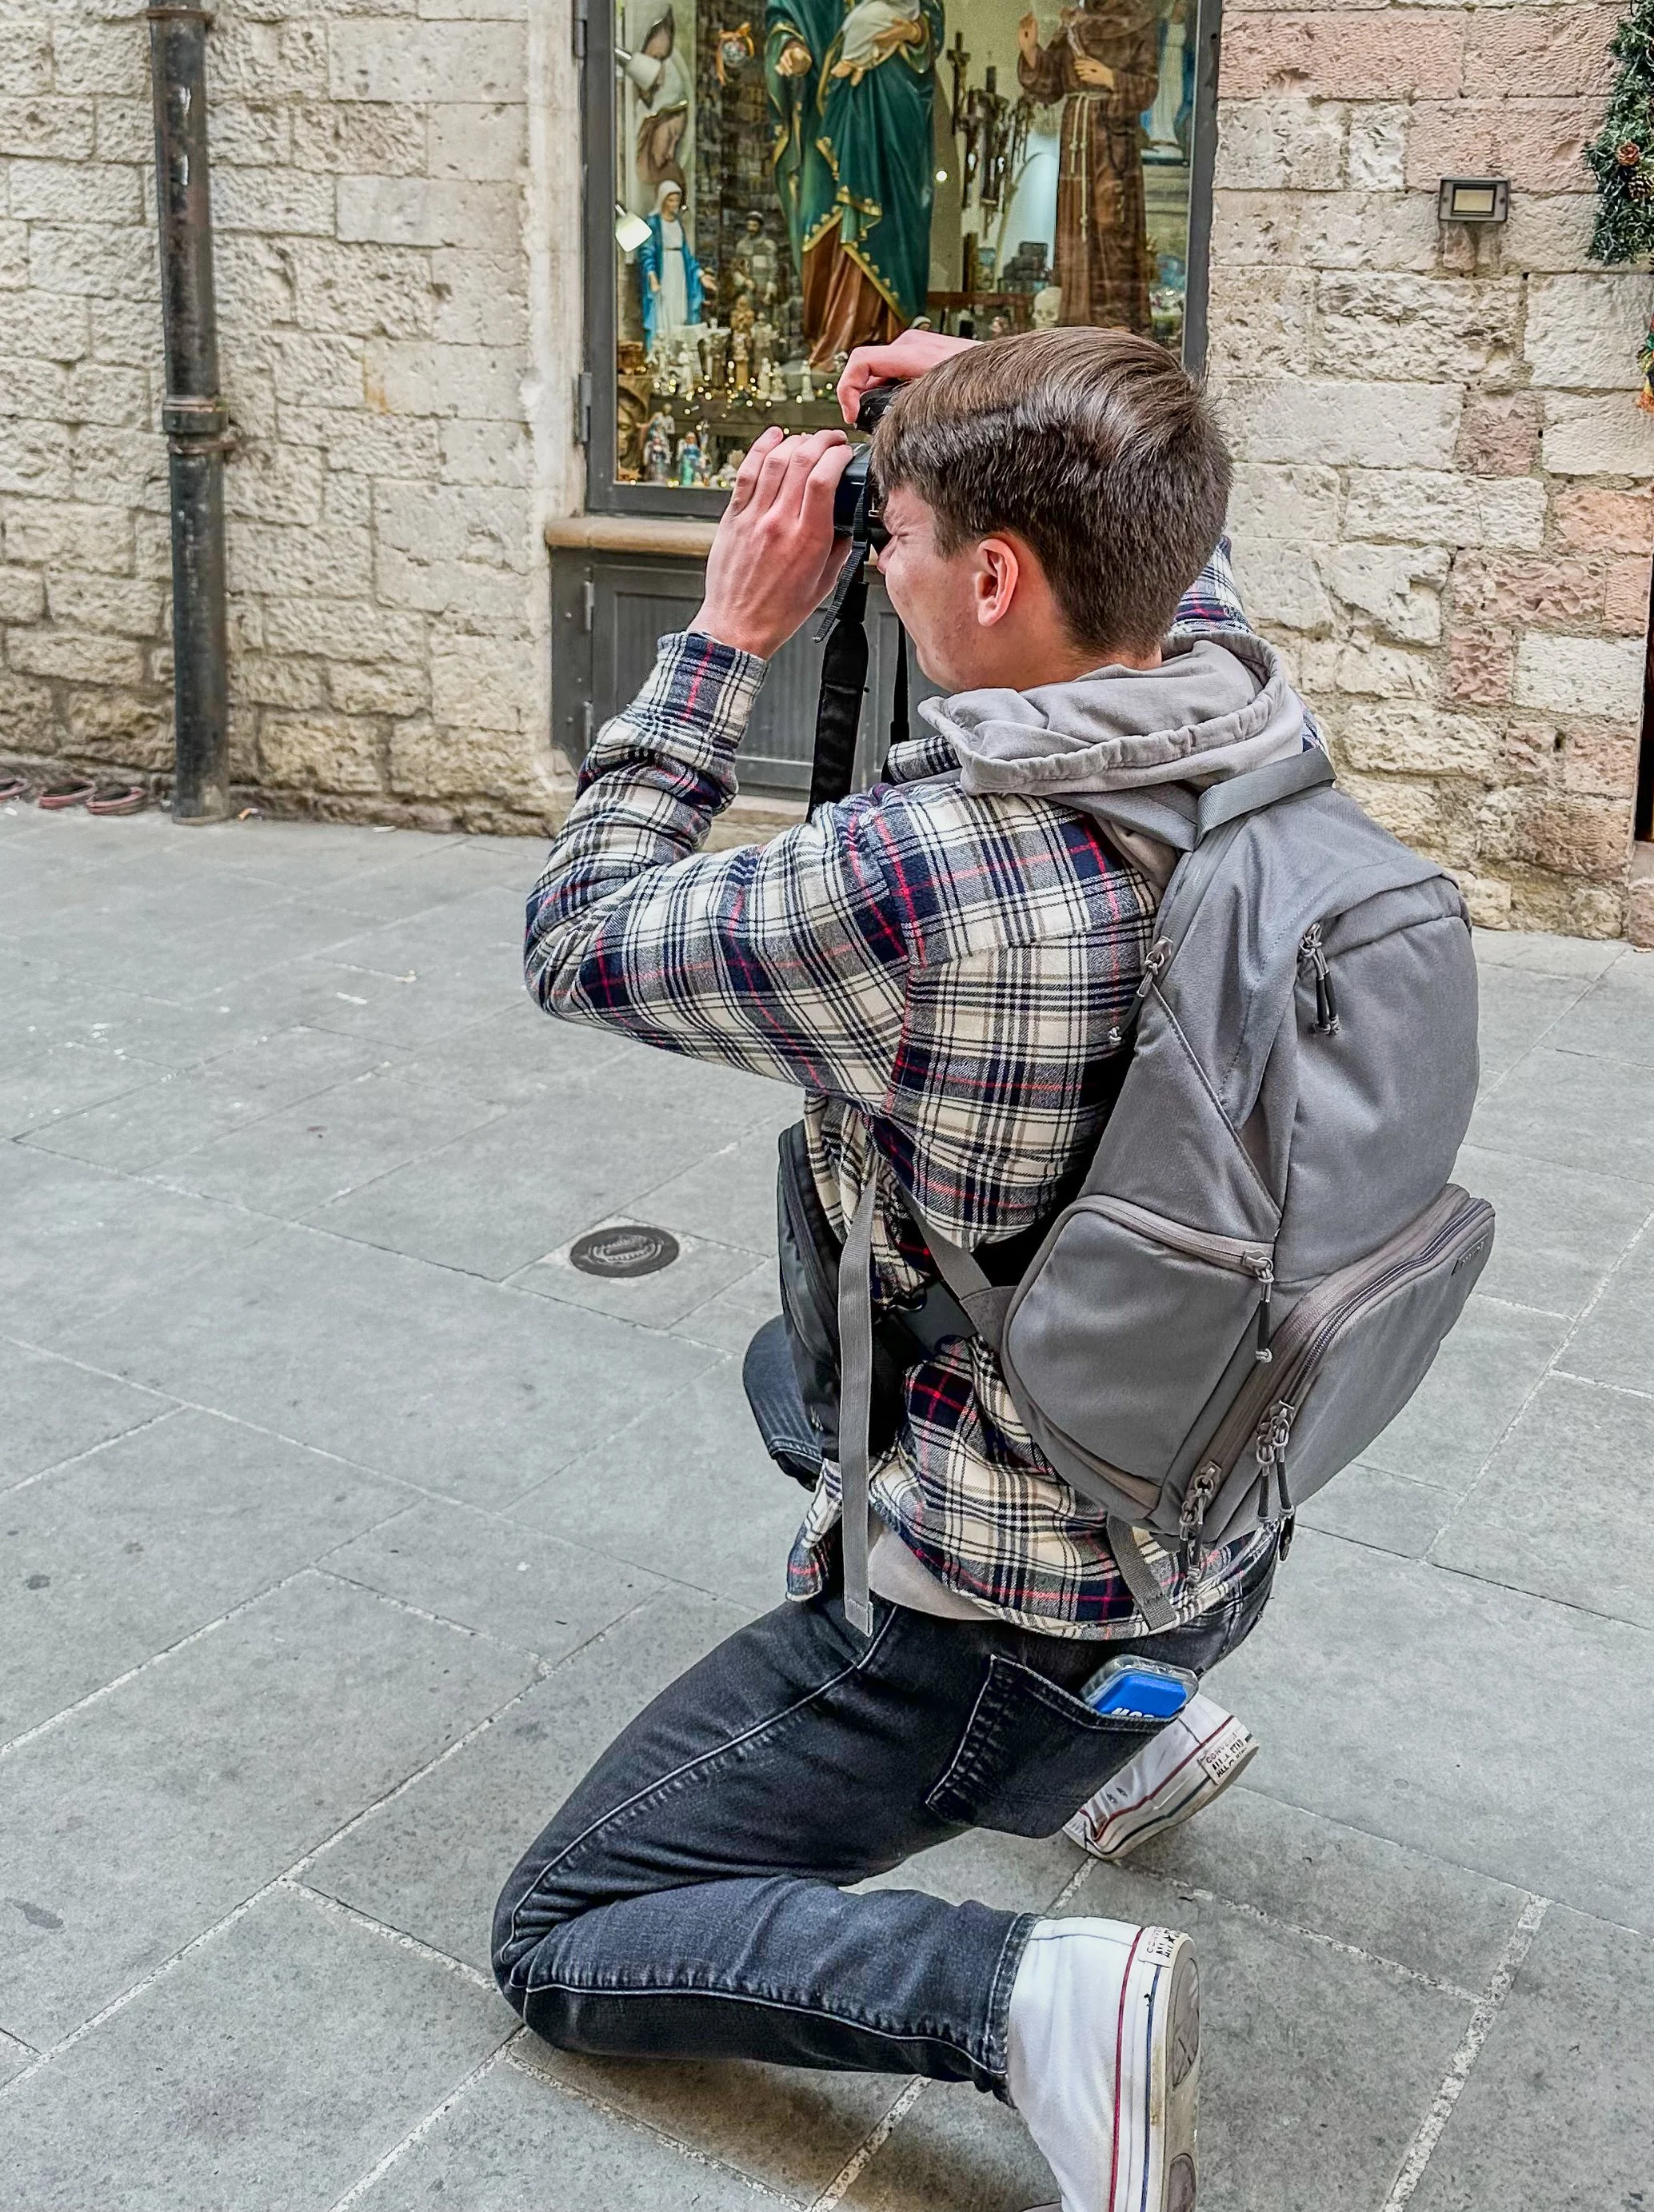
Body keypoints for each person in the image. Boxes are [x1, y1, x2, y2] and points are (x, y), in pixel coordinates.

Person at [496, 325, 1314, 2211]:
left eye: (907, 534)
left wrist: (721, 640)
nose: (878, 557)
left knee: (568, 1920)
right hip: (1226, 1510)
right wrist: (1031, 404)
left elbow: (575, 936)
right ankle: (1140, 1721)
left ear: (999, 576)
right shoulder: (1265, 732)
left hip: (992, 1627)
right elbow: (1174, 562)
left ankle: (1027, 1993)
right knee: (794, 1375)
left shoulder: (920, 873)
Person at [766, 0, 943, 368]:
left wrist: (913, 31)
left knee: (888, 207)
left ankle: (888, 343)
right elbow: (783, 9)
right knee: (822, 200)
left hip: (887, 93)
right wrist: (789, 47)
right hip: (826, 103)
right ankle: (829, 339)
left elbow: (928, 13)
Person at [1018, 0, 1158, 332]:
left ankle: (1116, 321)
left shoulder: (1139, 22)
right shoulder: (1075, 25)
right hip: (1075, 133)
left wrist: (1110, 77)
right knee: (1073, 224)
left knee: (1111, 223)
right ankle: (1075, 318)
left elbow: (1147, 86)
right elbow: (1051, 84)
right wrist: (1031, 52)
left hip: (1110, 139)